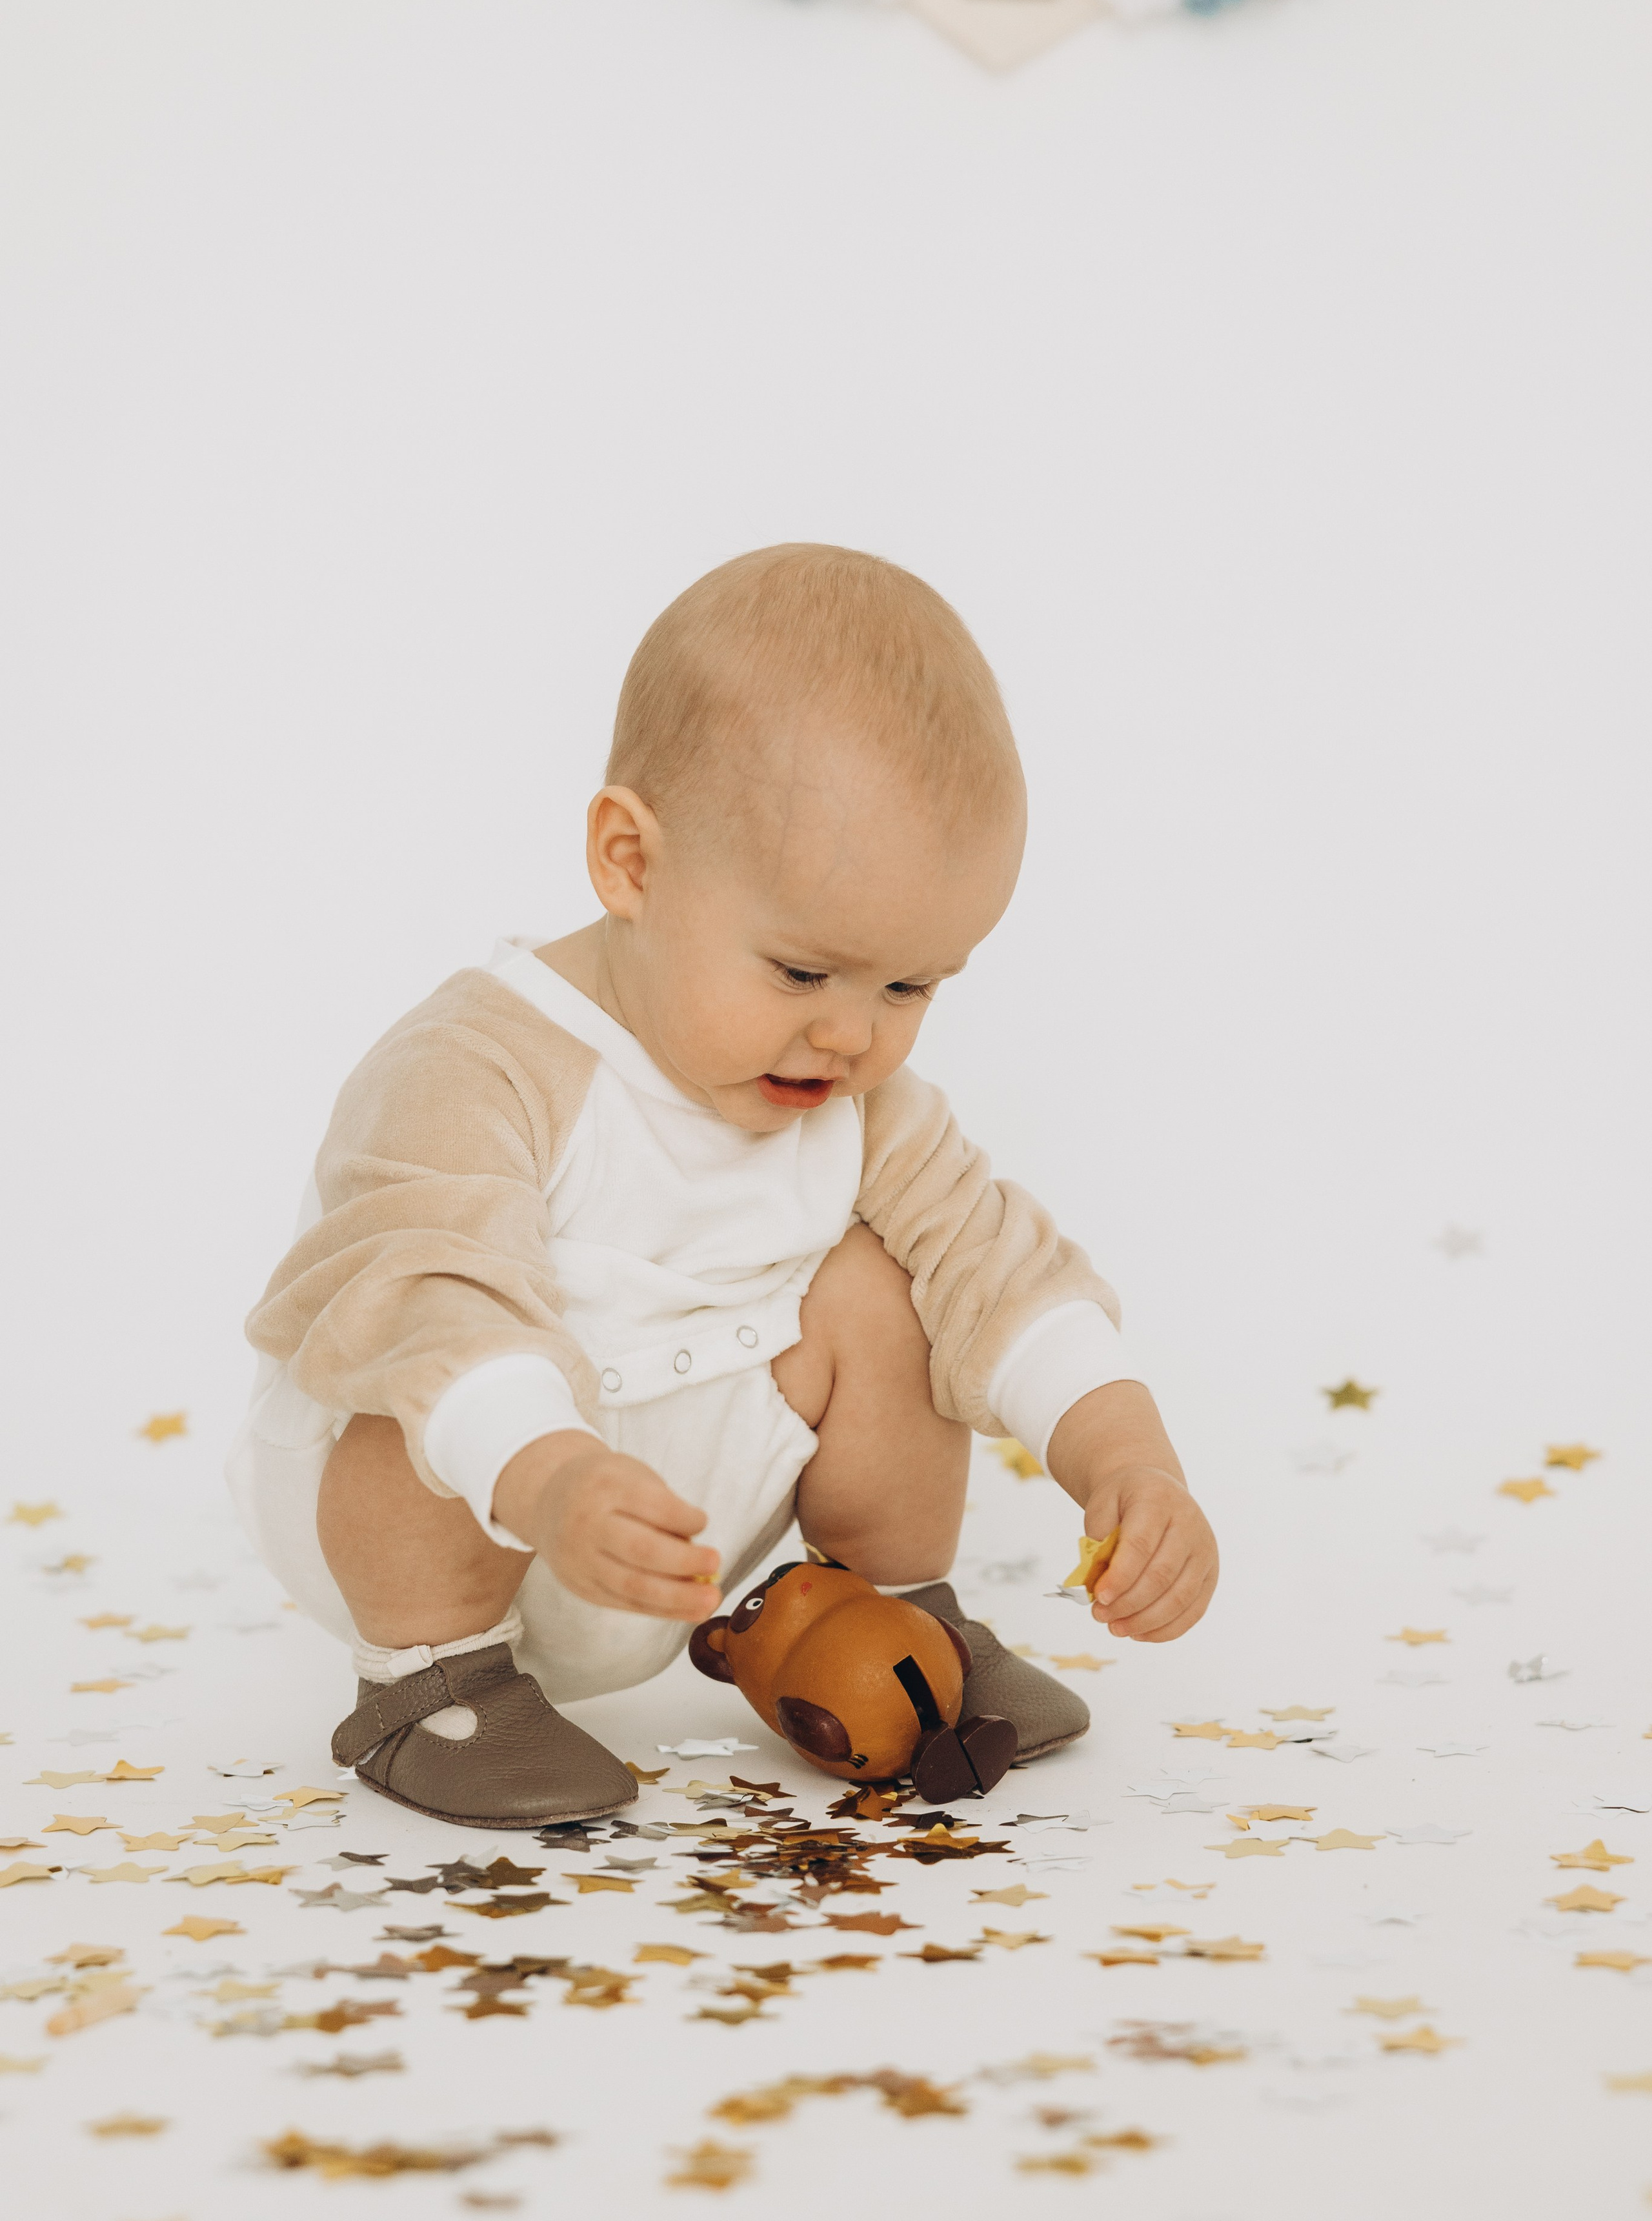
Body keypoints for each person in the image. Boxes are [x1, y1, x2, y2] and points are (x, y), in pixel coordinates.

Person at [232, 543, 1218, 1829]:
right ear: (629, 863)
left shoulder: (856, 1106)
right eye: (803, 973)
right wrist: (547, 1477)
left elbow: (1001, 1273)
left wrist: (1128, 1461)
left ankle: (890, 1614)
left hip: (690, 1497)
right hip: (487, 1480)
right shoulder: (479, 1070)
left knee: (893, 1287)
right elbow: (427, 1300)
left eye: (909, 985)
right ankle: (434, 1682)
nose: (851, 1035)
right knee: (415, 1371)